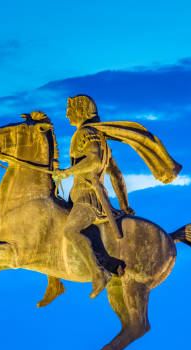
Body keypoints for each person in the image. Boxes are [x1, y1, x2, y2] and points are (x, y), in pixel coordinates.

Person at [53, 95, 134, 299]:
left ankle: (98, 275)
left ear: (81, 110)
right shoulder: (100, 137)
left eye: (70, 108)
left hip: (87, 197)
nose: (67, 113)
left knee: (70, 232)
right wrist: (124, 205)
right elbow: (116, 174)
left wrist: (67, 172)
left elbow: (94, 161)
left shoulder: (86, 133)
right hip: (80, 197)